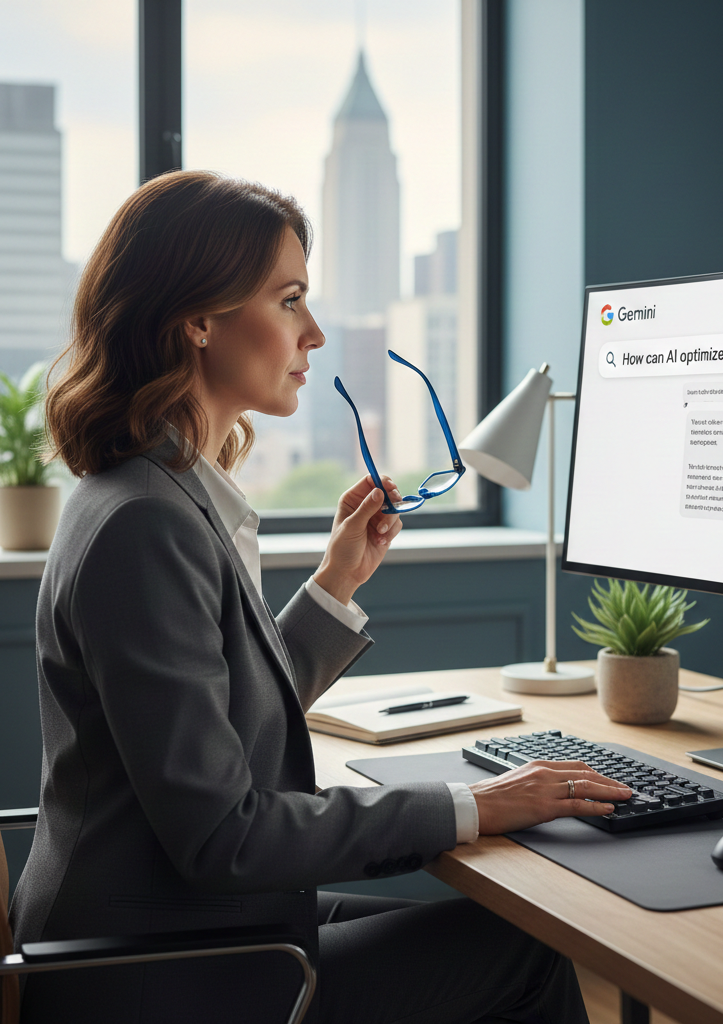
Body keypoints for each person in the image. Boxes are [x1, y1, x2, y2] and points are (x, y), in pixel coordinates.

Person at [10, 171, 631, 1024]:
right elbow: (223, 835)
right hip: (156, 969)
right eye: (290, 299)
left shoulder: (156, 493)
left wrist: (337, 582)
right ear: (197, 320)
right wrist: (472, 805)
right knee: (524, 957)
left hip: (187, 924)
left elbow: (222, 720)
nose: (315, 333)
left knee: (493, 934)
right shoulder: (147, 526)